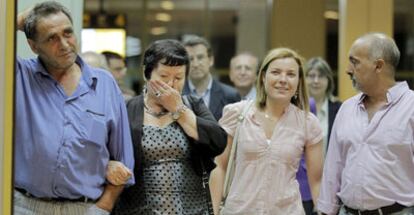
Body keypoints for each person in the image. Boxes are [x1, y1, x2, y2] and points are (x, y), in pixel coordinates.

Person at [14, 1, 134, 214]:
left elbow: (123, 162)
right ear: (33, 46)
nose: (64, 44)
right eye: (52, 38)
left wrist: (103, 207)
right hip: (25, 206)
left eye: (68, 33)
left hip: (84, 208)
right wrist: (19, 19)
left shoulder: (104, 84)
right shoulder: (20, 76)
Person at [111, 39, 227, 215]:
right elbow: (107, 153)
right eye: (164, 77)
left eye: (179, 78)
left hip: (192, 209)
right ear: (146, 74)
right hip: (137, 208)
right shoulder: (127, 109)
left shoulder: (193, 105)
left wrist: (178, 110)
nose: (171, 85)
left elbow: (218, 141)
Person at [210, 47, 323, 215]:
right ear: (263, 77)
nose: (283, 79)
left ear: (299, 81)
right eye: (276, 72)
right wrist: (213, 211)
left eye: (291, 74)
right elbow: (219, 166)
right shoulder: (237, 114)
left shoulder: (308, 122)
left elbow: (317, 182)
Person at [318, 33, 414, 215]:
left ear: (378, 65)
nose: (347, 69)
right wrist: (325, 211)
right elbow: (333, 168)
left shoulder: (411, 107)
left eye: (355, 62)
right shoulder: (346, 108)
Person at [182, 34, 240, 120]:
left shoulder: (230, 95)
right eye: (190, 59)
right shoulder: (177, 93)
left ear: (211, 60)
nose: (196, 64)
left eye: (200, 57)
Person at [305, 57, 342, 156]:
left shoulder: (339, 109)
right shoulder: (295, 108)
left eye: (321, 76)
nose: (316, 81)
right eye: (311, 76)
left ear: (328, 80)